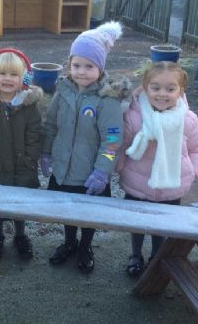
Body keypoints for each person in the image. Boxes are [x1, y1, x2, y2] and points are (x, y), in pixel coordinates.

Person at [41, 22, 130, 273]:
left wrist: (102, 171)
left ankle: (85, 246)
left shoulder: (106, 98)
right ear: (69, 64)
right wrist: (46, 152)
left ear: (100, 68)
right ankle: (70, 243)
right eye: (76, 65)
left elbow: (112, 140)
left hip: (89, 172)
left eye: (89, 66)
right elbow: (50, 124)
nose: (81, 71)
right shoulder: (63, 90)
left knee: (88, 213)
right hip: (64, 168)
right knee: (68, 210)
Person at [116, 61, 198, 277]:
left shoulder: (187, 119)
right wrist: (118, 165)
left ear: (180, 90)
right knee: (137, 224)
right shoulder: (134, 115)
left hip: (171, 187)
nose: (162, 94)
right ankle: (135, 255)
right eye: (155, 88)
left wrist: (193, 170)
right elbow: (123, 143)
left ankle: (157, 258)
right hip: (138, 183)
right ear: (146, 88)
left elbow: (197, 147)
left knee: (162, 227)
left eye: (170, 89)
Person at [0, 48, 42, 261]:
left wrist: (31, 158)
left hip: (23, 166)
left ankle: (21, 235)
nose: (8, 79)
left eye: (14, 74)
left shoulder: (28, 105)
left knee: (20, 204)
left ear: (23, 78)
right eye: (3, 74)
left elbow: (35, 133)